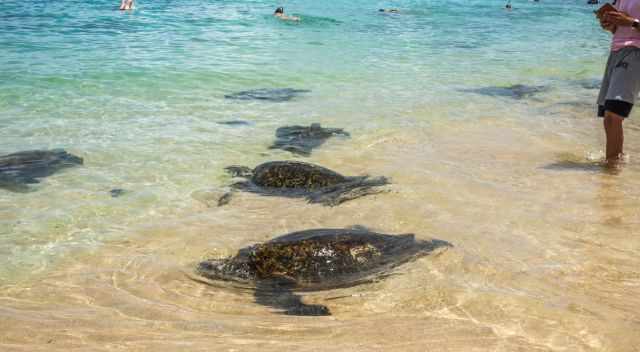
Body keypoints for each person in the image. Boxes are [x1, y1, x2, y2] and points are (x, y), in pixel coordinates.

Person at [596, 1, 640, 164]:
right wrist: (611, 25)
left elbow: (632, 24)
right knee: (609, 116)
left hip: (636, 53)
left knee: (613, 115)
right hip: (615, 53)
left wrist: (632, 22)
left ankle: (611, 171)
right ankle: (615, 166)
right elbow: (622, 30)